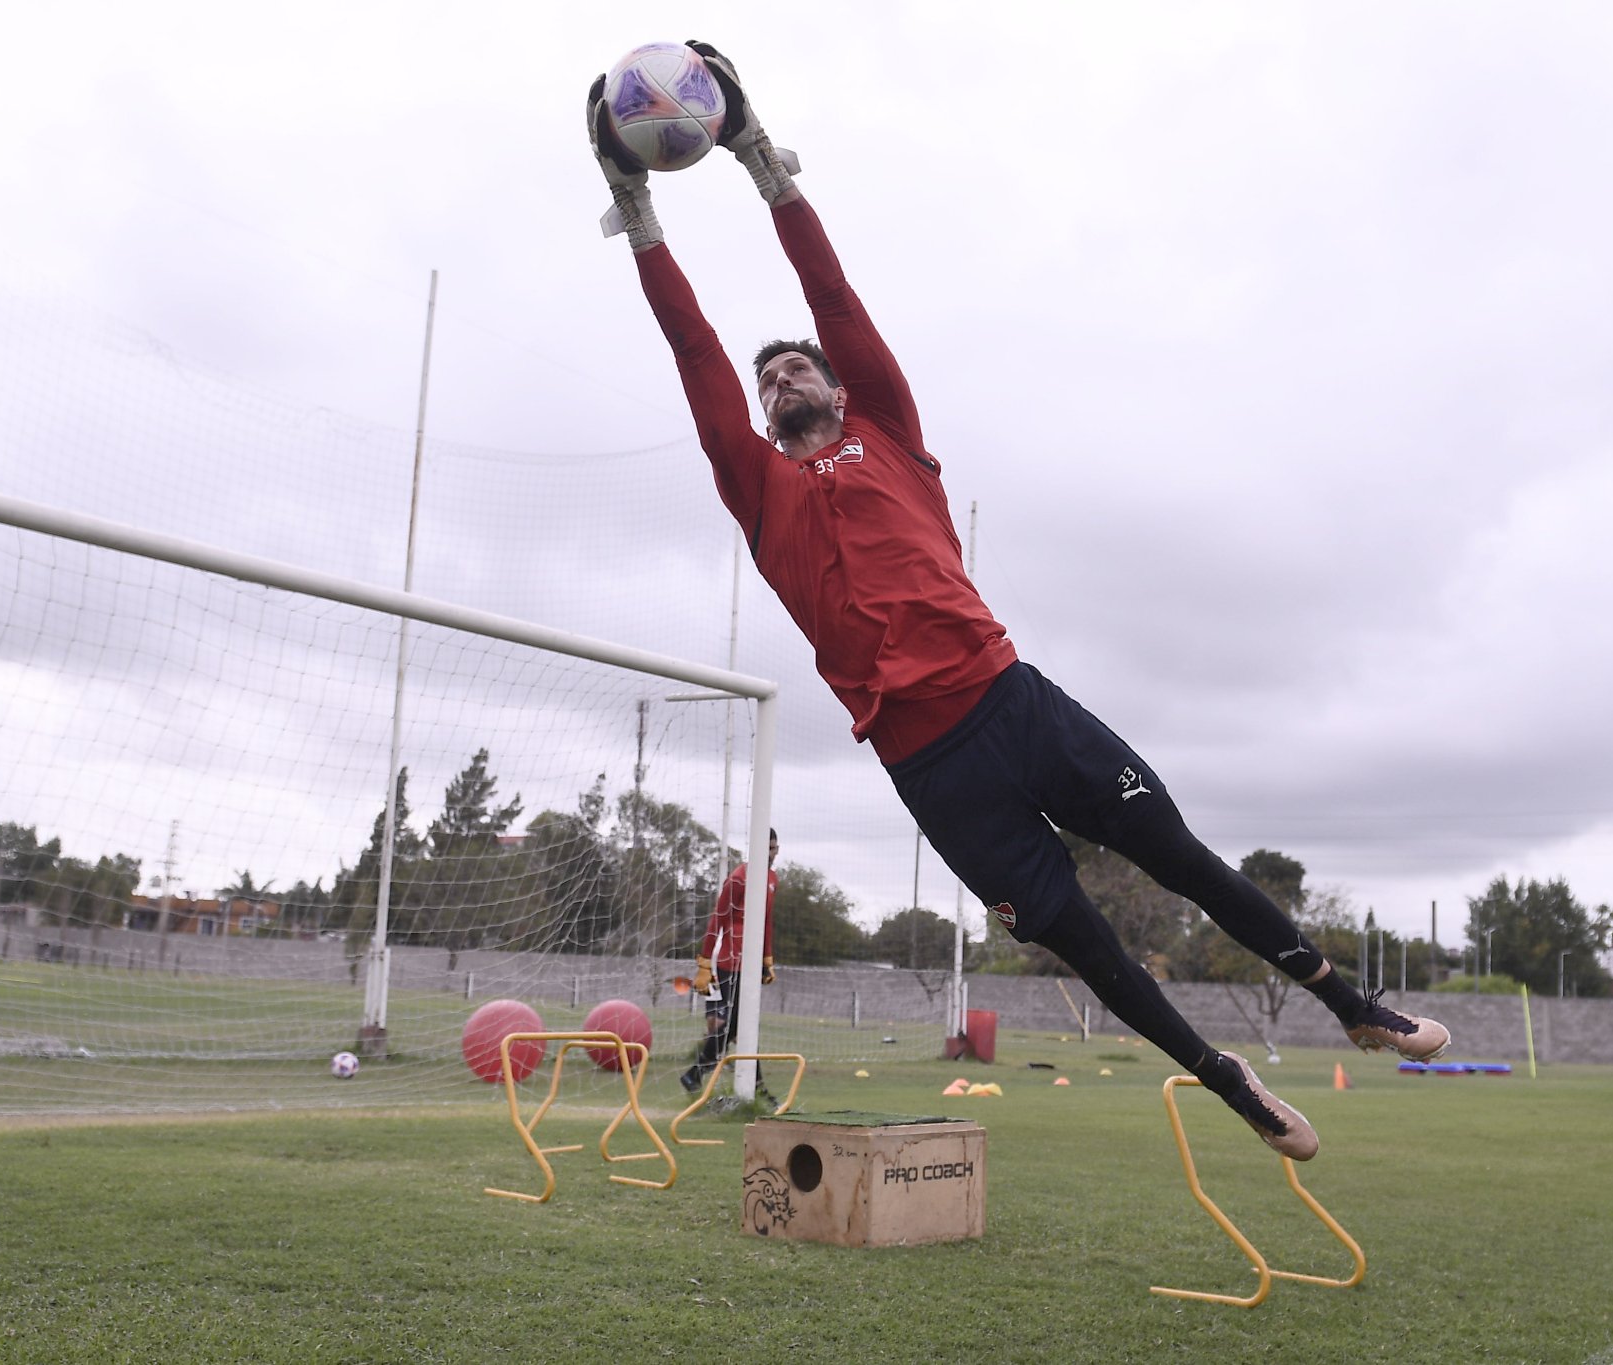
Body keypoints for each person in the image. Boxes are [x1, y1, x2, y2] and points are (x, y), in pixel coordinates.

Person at [587, 44, 1449, 1160]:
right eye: (768, 381)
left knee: (1179, 857)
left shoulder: (887, 430)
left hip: (1013, 705)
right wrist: (634, 206)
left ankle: (1353, 1007)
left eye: (797, 367)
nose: (780, 375)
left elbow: (832, 298)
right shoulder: (757, 490)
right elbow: (691, 348)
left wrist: (759, 161)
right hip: (931, 767)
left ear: (842, 388)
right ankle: (1228, 1083)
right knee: (1086, 944)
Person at [679, 828, 779, 1096]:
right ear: (756, 848)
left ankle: (699, 1074)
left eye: (775, 847)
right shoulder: (738, 879)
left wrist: (766, 959)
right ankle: (701, 1073)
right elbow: (717, 919)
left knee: (741, 1026)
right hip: (729, 963)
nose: (774, 853)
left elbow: (766, 922)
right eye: (769, 848)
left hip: (751, 962)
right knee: (736, 1023)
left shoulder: (771, 879)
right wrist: (704, 962)